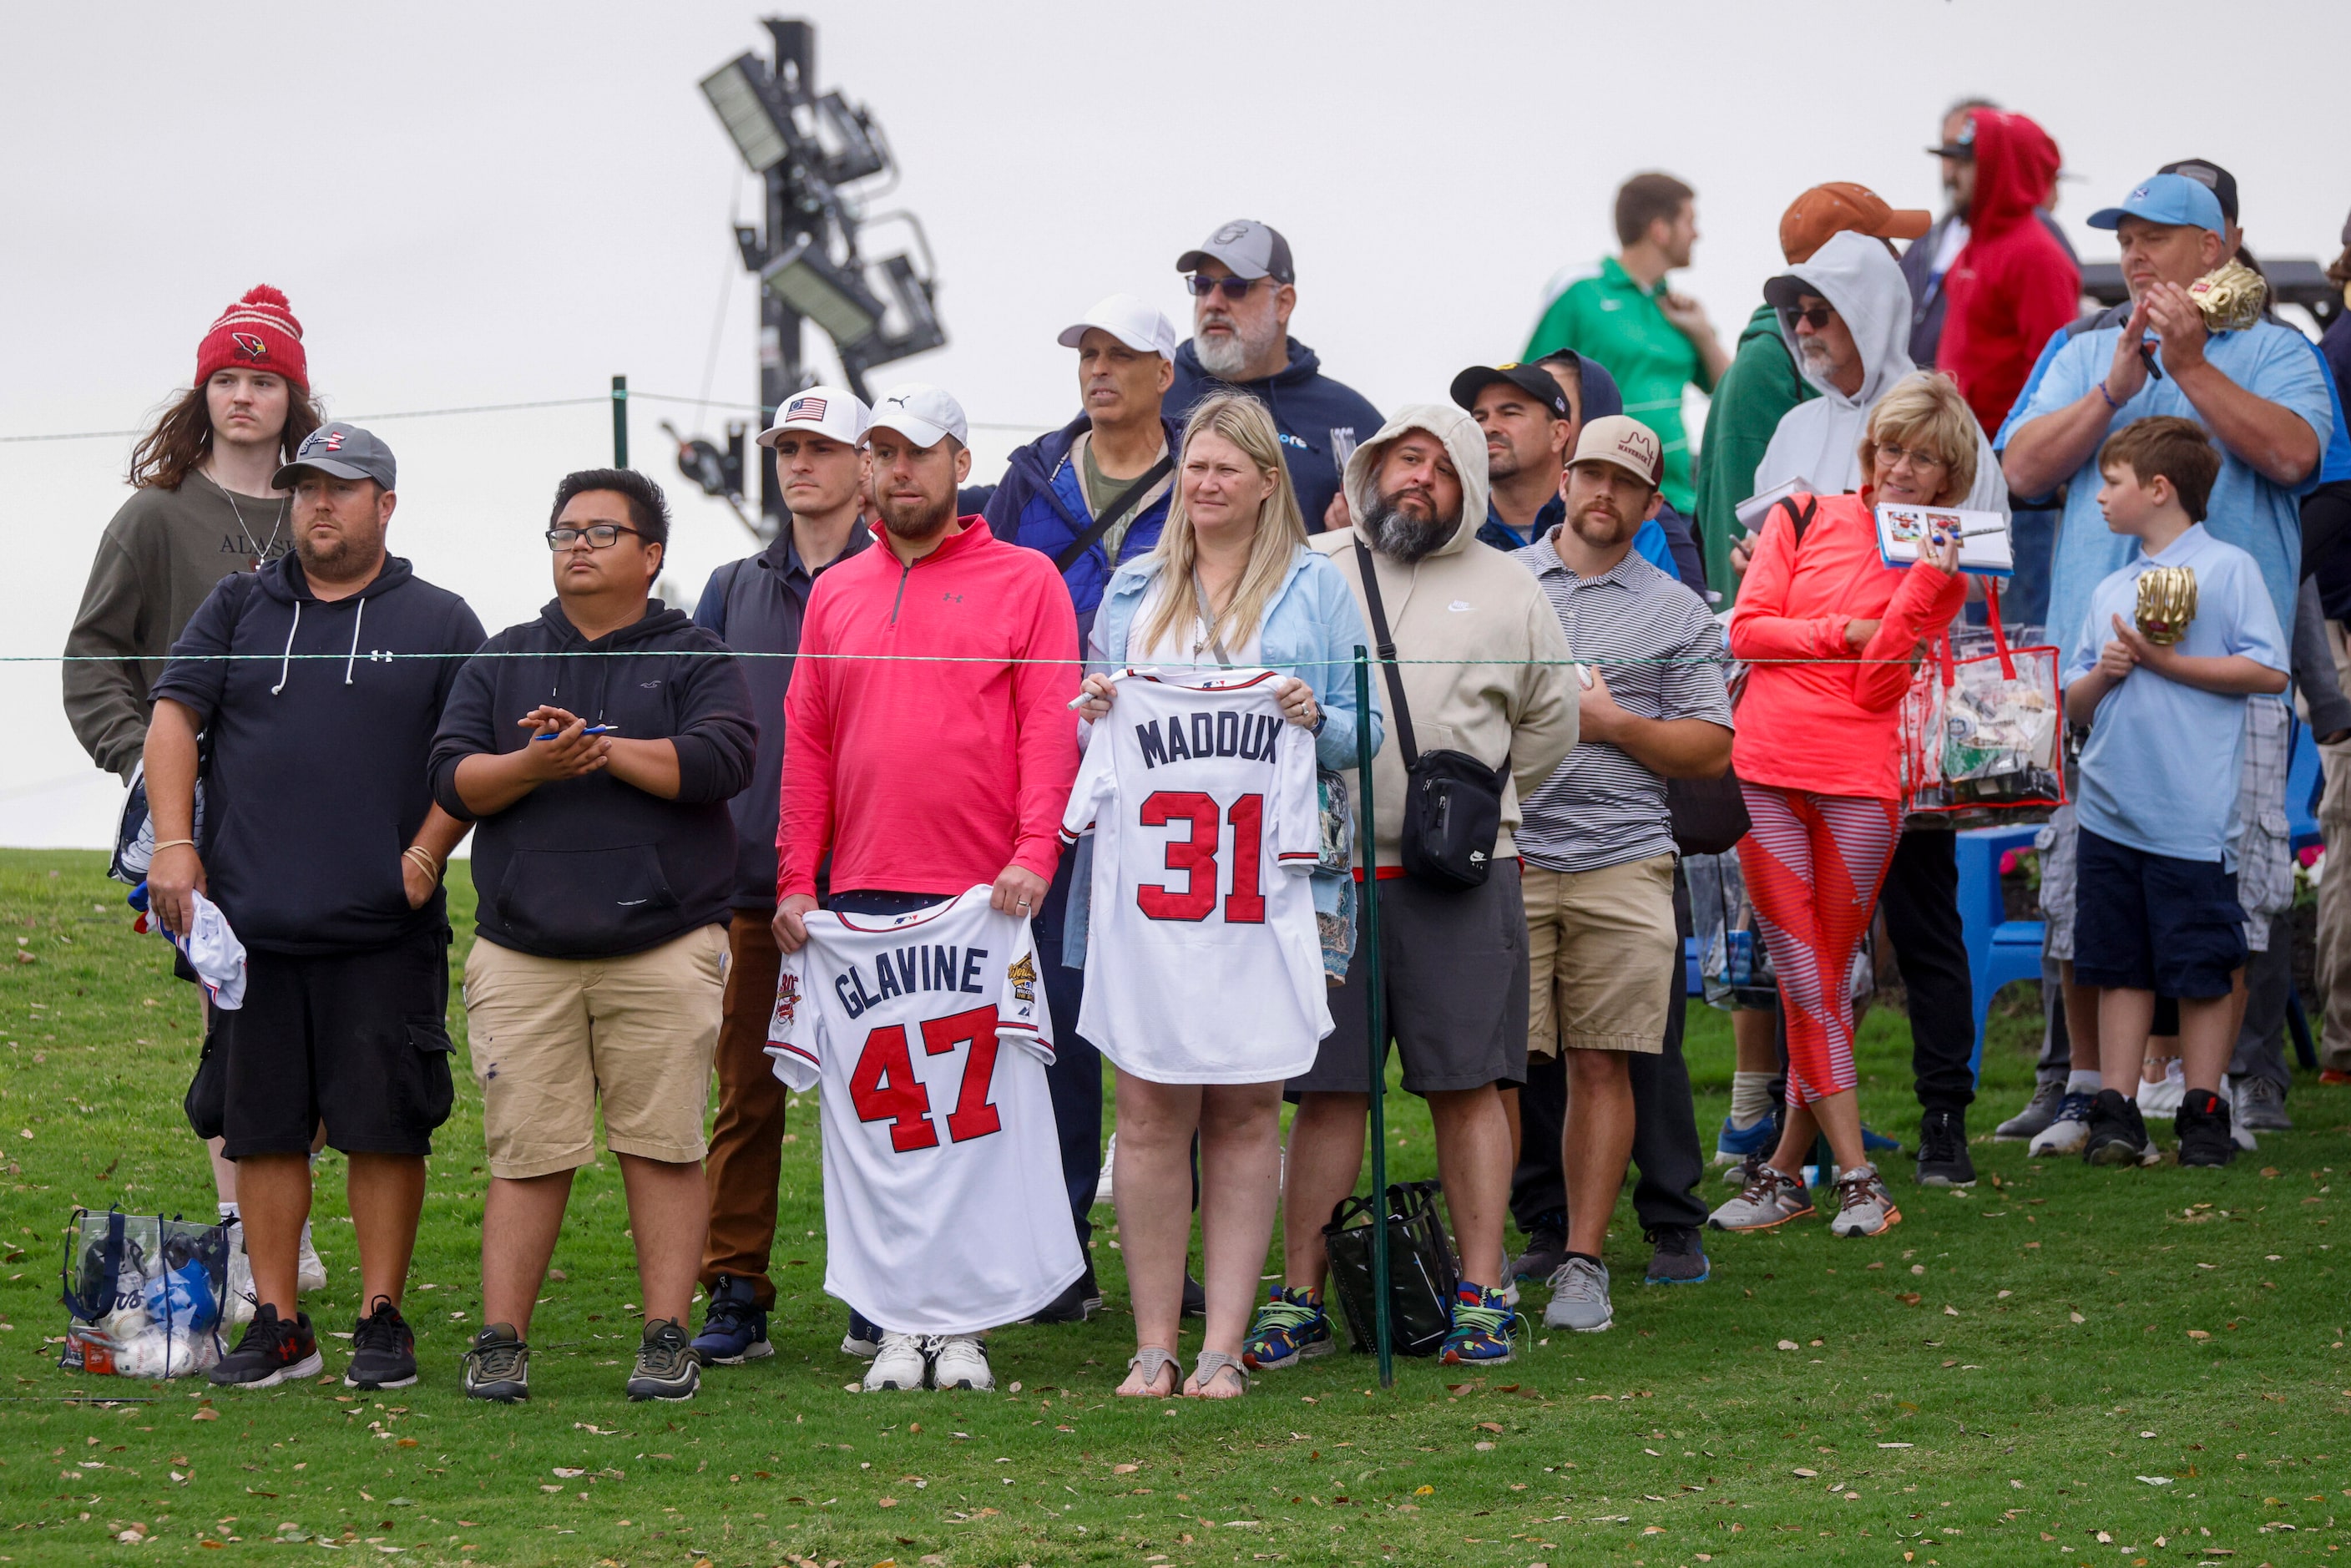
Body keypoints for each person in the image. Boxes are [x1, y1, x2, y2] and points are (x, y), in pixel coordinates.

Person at [144, 422, 484, 1390]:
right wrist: (175, 843)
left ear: (384, 504)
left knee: (384, 1127)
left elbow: (470, 757)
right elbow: (174, 715)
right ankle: (281, 1325)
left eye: (340, 488)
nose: (317, 505)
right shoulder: (239, 606)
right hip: (252, 934)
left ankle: (382, 1319)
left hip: (381, 930)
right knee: (259, 1131)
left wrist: (424, 851)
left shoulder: (441, 618)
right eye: (305, 489)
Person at [1997, 171, 2333, 1150]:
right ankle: (2078, 1087)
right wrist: (2114, 382)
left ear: (2212, 250)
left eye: (2155, 238)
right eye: (2126, 238)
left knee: (2235, 889)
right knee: (2077, 884)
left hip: (2226, 681)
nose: (2134, 255)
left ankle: (2229, 1083)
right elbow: (2017, 470)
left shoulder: (2277, 349)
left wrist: (2186, 369)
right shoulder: (2077, 349)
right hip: (2093, 671)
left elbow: (2294, 458)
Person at [1251, 403, 1576, 1370]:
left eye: (1438, 465)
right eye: (1401, 457)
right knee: (1326, 1091)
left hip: (1461, 876)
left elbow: (1550, 724)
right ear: (1370, 467)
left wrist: (1479, 811)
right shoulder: (1308, 565)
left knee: (1467, 1085)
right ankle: (1299, 1296)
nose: (1414, 477)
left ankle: (1481, 1293)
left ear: (1468, 486)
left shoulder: (1509, 584)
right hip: (1326, 874)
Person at [775, 383, 1082, 1395]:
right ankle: (899, 1320)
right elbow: (807, 745)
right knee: (883, 1119)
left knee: (977, 1119)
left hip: (982, 899)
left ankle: (965, 1325)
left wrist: (1035, 850)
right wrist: (795, 880)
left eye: (916, 452)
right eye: (881, 453)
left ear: (959, 461)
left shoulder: (1025, 578)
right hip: (860, 897)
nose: (897, 470)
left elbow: (1048, 727)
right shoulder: (836, 590)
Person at [1067, 393, 1375, 1398]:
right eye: (1193, 466)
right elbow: (1088, 740)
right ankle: (1154, 1341)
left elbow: (1358, 736)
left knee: (1247, 1108)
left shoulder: (1314, 590)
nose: (1204, 484)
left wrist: (1310, 713)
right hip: (1147, 900)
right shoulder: (1127, 592)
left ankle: (1221, 1347)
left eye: (1224, 469)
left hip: (1271, 890)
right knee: (1149, 1110)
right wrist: (1095, 712)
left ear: (1264, 483)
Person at [431, 468, 756, 1404]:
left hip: (662, 947)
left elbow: (721, 761)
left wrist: (602, 748)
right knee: (525, 1154)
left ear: (651, 556)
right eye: (564, 530)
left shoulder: (695, 653)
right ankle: (500, 1342)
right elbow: (454, 780)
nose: (577, 545)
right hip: (523, 952)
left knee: (662, 1146)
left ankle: (665, 1337)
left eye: (601, 532)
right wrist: (534, 764)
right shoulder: (504, 656)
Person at [63, 283, 329, 1288]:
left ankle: (285, 1210)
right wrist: (143, 765)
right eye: (227, 378)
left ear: (293, 397)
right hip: (203, 816)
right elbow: (93, 656)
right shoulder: (155, 516)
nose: (244, 397)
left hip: (315, 807)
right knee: (236, 1010)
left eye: (265, 380)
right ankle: (250, 1225)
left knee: (313, 1003)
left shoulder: (326, 505)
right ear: (202, 391)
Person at [1748, 230, 2013, 1186]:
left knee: (1923, 924)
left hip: (1904, 734)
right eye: (1795, 315)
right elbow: (1758, 598)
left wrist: (1894, 613)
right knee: (1811, 955)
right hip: (1798, 737)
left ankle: (1940, 1116)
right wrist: (1828, 624)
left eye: (1821, 310)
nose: (1807, 330)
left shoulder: (1945, 421)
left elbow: (1973, 569)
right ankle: (1805, 1149)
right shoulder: (1795, 439)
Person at [1706, 374, 1971, 1240]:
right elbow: (1746, 629)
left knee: (1817, 975)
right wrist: (1840, 631)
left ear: (1946, 475)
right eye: (1890, 448)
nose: (1899, 467)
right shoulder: (1799, 516)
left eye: (1921, 458)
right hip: (1765, 770)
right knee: (1807, 970)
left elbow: (1875, 689)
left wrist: (1912, 601)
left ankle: (1785, 1173)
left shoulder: (1942, 569)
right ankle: (1855, 1176)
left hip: (1861, 782)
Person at [1508, 417, 1733, 1333]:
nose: (1603, 494)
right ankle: (1494, 1258)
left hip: (1624, 857)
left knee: (1604, 1061)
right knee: (1497, 1069)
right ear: (1564, 478)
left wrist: (1610, 726)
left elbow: (1710, 747)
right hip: (1507, 852)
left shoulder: (1676, 608)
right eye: (1590, 475)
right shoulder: (1502, 585)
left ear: (1648, 502)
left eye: (1624, 483)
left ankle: (1582, 1263)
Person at [984, 297, 1186, 1321]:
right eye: (1087, 354)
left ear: (1165, 371)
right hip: (1049, 777)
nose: (1098, 370)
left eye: (1121, 355)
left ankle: (1170, 1252)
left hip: (1179, 778)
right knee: (1054, 1024)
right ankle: (1059, 1256)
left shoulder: (1207, 471)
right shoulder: (1027, 481)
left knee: (1168, 1019)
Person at [685, 387, 875, 1368]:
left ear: (863, 462)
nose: (798, 462)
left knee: (873, 1095)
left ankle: (879, 1287)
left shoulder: (895, 576)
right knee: (746, 1094)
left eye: (819, 446)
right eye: (786, 447)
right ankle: (735, 1285)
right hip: (757, 885)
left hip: (878, 881)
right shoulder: (730, 586)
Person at [2060, 417, 2288, 1166]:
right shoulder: (2112, 588)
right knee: (2118, 961)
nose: (2101, 496)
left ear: (2159, 490)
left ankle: (2205, 1107)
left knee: (2200, 962)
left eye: (2114, 482)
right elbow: (2077, 703)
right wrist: (2108, 673)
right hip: (2110, 806)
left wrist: (2167, 663)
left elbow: (2268, 671)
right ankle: (2118, 1111)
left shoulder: (2228, 570)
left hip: (2192, 811)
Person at [1694, 183, 1934, 602]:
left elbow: (1985, 563)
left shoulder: (1938, 414)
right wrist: (1760, 556)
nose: (1896, 259)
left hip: (1900, 651)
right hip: (1802, 650)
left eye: (1818, 314)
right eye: (1882, 247)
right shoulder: (1782, 397)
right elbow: (1739, 531)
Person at [1526, 173, 1730, 515]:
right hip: (1600, 501)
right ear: (1660, 229)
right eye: (1689, 222)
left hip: (1676, 501)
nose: (1697, 234)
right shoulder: (1580, 290)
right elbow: (1530, 387)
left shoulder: (1678, 310)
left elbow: (1729, 395)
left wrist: (1703, 335)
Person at [1163, 221, 1382, 534]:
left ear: (1283, 303)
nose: (1213, 302)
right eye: (1202, 284)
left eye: (1235, 286)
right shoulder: (1154, 390)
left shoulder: (1347, 416)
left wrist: (1361, 535)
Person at [1929, 108, 2080, 443]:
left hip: (2000, 456)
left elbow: (2055, 375)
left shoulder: (2036, 256)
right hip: (1961, 448)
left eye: (1967, 162)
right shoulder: (1976, 243)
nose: (1953, 174)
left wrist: (2015, 451)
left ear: (1999, 167)